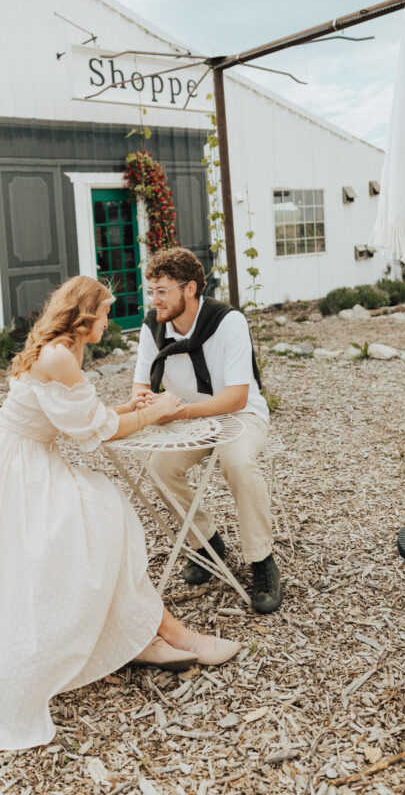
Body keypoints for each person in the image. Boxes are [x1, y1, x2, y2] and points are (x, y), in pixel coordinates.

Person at [0, 276, 241, 752]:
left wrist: (130, 406)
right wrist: (159, 409)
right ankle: (167, 633)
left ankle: (153, 632)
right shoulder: (61, 355)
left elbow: (76, 416)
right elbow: (96, 434)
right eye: (106, 312)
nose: (110, 321)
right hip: (14, 472)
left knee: (105, 513)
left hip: (9, 460)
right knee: (104, 515)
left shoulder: (56, 349)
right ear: (86, 315)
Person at [131, 248, 282, 614]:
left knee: (237, 462)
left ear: (191, 288)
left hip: (242, 414)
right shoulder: (153, 327)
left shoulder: (228, 321)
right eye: (150, 290)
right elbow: (139, 387)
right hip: (187, 418)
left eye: (162, 290)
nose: (155, 299)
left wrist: (180, 411)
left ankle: (262, 560)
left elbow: (236, 396)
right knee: (159, 467)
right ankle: (206, 543)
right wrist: (150, 406)